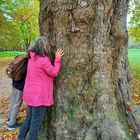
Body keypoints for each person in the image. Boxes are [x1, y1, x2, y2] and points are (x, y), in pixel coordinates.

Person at [17, 36, 64, 140]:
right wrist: (57, 59)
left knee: (29, 119)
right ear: (44, 47)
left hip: (30, 95)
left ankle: (20, 137)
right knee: (35, 124)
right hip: (39, 97)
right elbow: (54, 72)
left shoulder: (31, 58)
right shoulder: (43, 60)